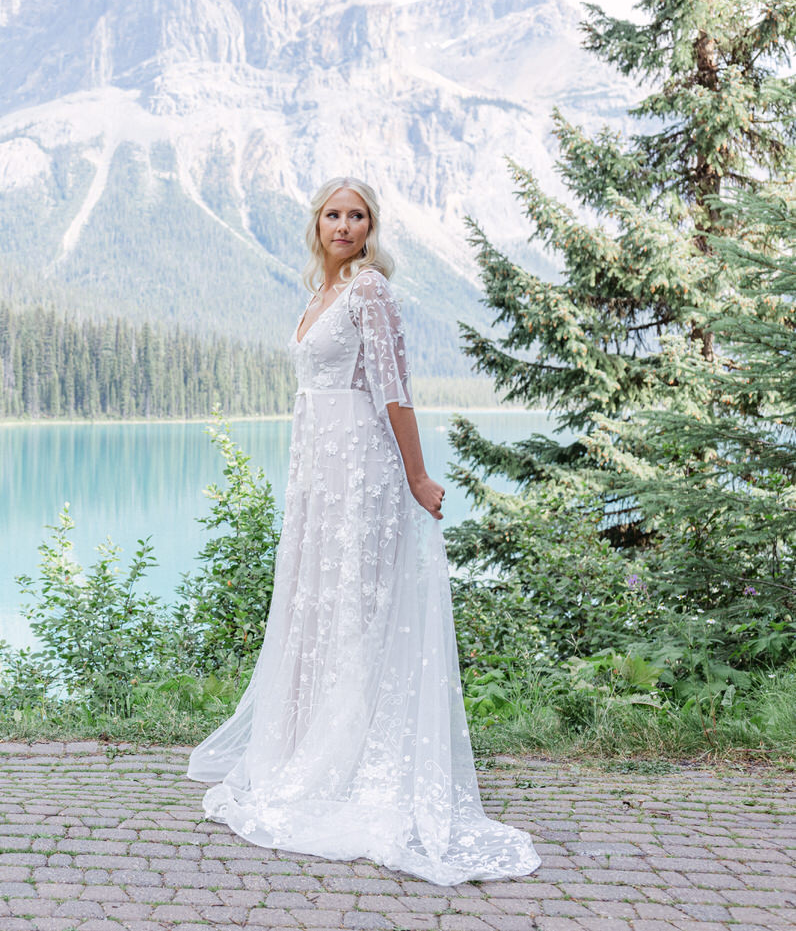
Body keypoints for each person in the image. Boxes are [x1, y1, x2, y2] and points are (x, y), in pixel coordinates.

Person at [185, 177, 541, 885]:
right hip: (319, 470)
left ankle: (353, 760)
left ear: (371, 227)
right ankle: (311, 747)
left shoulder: (370, 291)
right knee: (316, 607)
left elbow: (393, 388)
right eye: (333, 214)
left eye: (357, 216)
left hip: (364, 472)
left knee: (354, 606)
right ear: (316, 224)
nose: (344, 225)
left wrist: (416, 475)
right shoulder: (318, 293)